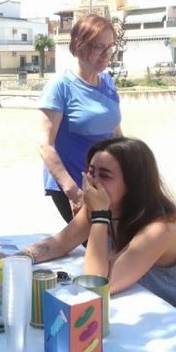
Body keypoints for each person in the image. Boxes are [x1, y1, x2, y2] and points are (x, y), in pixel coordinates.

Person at [20, 137, 176, 318]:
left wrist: (100, 215)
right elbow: (60, 243)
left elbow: (95, 285)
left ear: (133, 183)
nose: (93, 182)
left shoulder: (160, 229)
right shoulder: (99, 206)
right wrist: (18, 259)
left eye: (104, 175)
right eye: (91, 172)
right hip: (132, 312)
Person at [39, 13, 123, 224]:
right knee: (93, 241)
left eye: (110, 47)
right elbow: (45, 146)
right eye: (98, 47)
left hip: (103, 184)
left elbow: (116, 133)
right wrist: (74, 193)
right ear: (79, 46)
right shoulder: (60, 86)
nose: (106, 54)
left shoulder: (108, 83)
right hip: (73, 186)